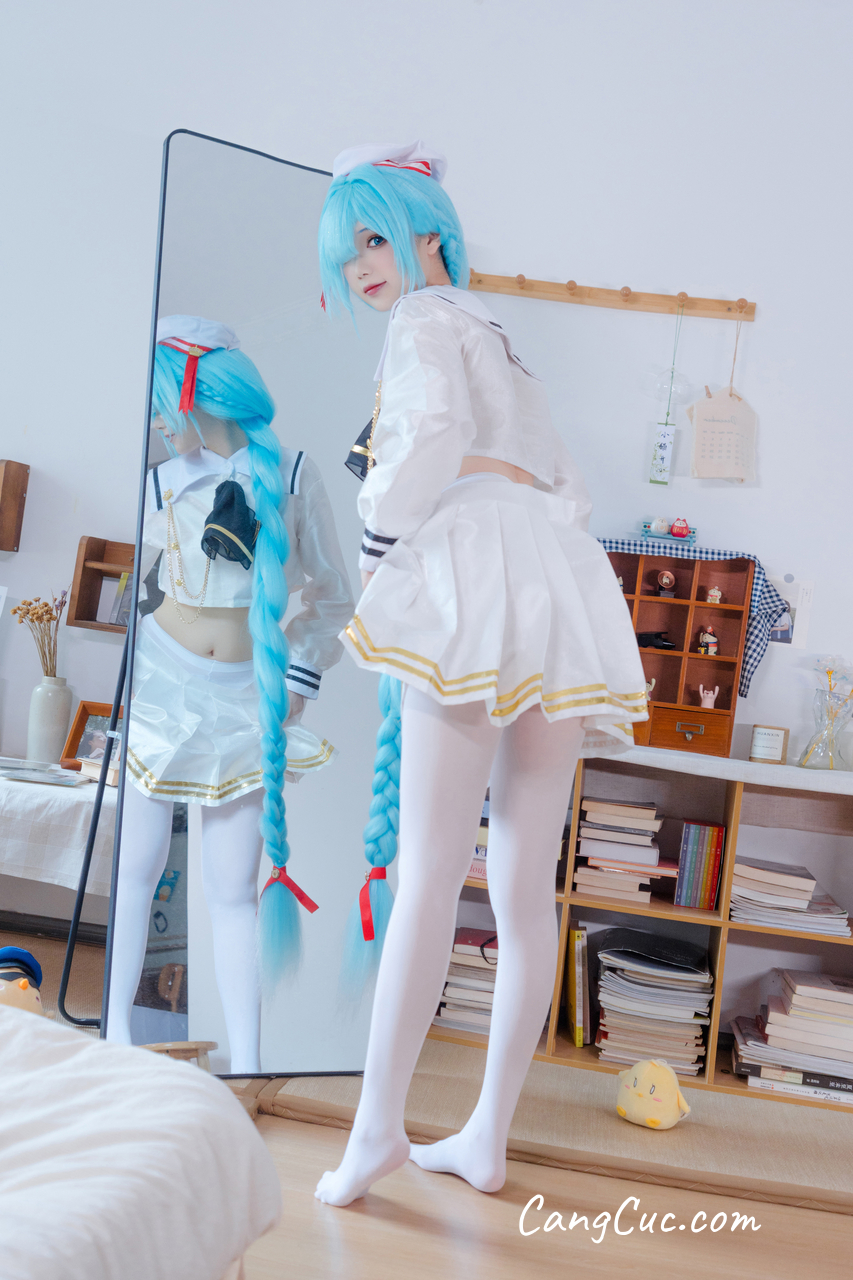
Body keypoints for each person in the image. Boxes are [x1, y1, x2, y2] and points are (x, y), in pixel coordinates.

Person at [314, 142, 647, 1205]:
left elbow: (425, 438)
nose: (360, 266)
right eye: (346, 251)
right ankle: (484, 1136)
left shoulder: (422, 319)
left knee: (426, 868)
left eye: (374, 238)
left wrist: (381, 543)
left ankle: (377, 1129)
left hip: (473, 569)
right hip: (556, 576)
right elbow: (565, 482)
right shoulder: (500, 334)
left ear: (429, 235)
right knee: (521, 881)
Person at [106, 316, 354, 1072]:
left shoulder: (293, 473)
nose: (155, 419)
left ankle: (246, 1066)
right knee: (133, 869)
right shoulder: (158, 479)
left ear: (196, 392)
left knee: (232, 888)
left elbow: (333, 597)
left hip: (247, 697)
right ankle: (113, 1043)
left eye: (162, 402)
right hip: (162, 688)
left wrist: (296, 681)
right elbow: (140, 589)